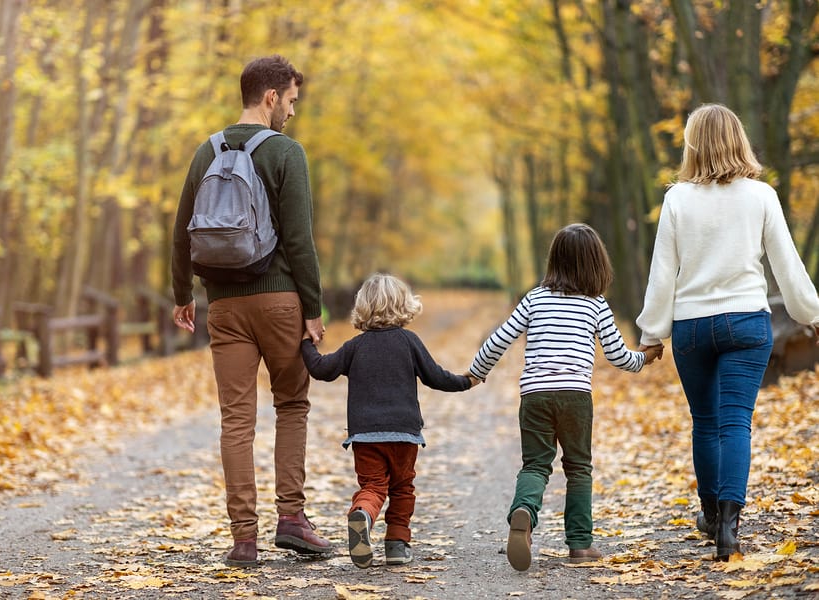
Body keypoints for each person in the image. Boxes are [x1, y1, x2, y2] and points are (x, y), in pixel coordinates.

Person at [636, 103, 819, 562]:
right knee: (736, 422)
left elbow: (664, 272)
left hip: (693, 325)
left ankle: (710, 515)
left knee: (706, 422)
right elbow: (786, 264)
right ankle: (730, 528)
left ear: (693, 144)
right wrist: (808, 311)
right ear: (739, 139)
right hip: (746, 322)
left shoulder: (678, 197)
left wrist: (652, 332)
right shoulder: (761, 196)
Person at [171, 54, 331, 567]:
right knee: (291, 406)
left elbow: (181, 234)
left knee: (235, 421)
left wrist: (182, 296)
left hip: (224, 307)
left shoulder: (206, 151)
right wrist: (312, 307)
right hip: (281, 301)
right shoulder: (286, 152)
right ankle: (292, 520)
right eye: (291, 101)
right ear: (270, 97)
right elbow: (300, 240)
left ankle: (244, 539)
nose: (292, 112)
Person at [468, 223, 662, 572]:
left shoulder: (534, 298)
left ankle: (523, 511)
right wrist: (644, 358)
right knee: (578, 468)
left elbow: (500, 339)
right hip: (575, 397)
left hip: (535, 396)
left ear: (554, 261)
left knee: (535, 465)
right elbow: (619, 357)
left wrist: (477, 371)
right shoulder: (596, 305)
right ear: (596, 264)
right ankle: (580, 545)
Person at [300, 273, 481, 568]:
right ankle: (397, 544)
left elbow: (321, 369)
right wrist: (466, 381)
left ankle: (363, 513)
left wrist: (307, 343)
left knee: (373, 486)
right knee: (402, 488)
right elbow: (436, 377)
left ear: (362, 307)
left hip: (365, 437)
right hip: (404, 435)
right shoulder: (409, 341)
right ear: (404, 306)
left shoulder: (355, 347)